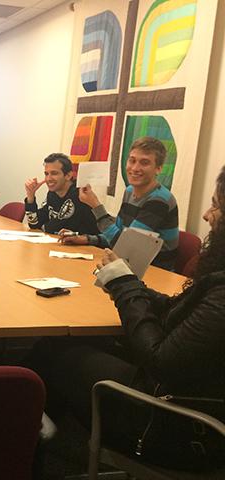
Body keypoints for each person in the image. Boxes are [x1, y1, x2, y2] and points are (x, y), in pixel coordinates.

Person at [29, 166, 225, 471]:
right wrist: (133, 285)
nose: (207, 216)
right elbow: (184, 313)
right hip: (191, 400)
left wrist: (124, 286)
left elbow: (159, 358)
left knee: (52, 350)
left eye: (215, 205)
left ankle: (30, 452)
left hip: (174, 423)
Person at [61, 137, 179, 271]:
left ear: (158, 169)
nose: (135, 168)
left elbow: (126, 249)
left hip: (155, 272)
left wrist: (96, 206)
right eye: (132, 160)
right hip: (127, 265)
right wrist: (86, 239)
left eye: (144, 163)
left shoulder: (159, 200)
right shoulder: (129, 191)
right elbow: (118, 234)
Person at [24, 153, 99, 235]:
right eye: (46, 174)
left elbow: (55, 228)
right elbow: (34, 224)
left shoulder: (79, 195)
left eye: (54, 173)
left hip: (86, 247)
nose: (48, 179)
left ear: (68, 175)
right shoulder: (52, 194)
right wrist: (30, 196)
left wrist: (43, 226)